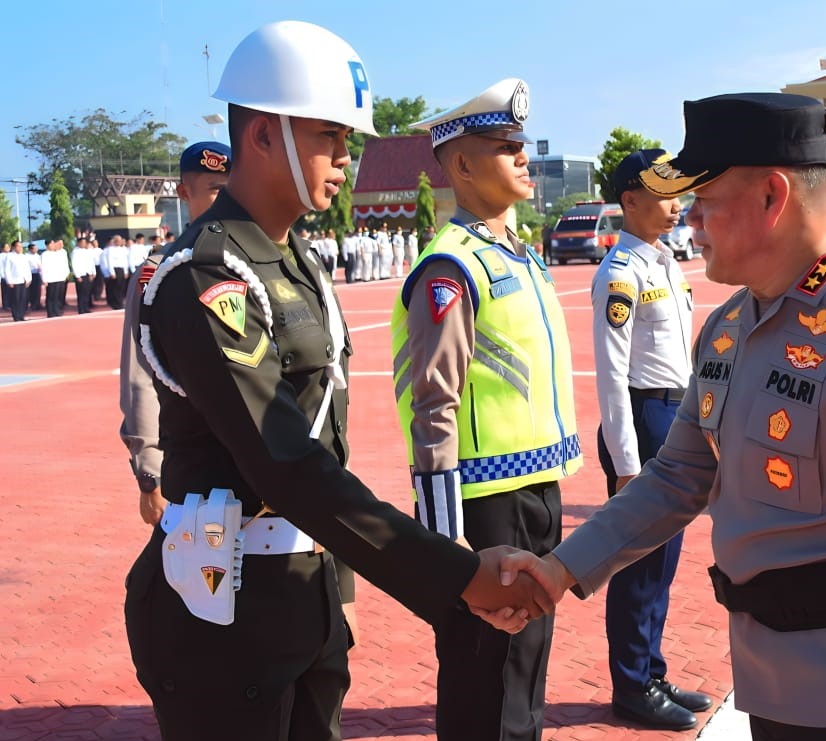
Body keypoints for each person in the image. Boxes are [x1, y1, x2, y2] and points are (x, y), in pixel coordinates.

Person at [502, 93, 826, 741]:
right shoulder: (728, 330)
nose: (691, 220)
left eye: (705, 199)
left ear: (771, 196)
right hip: (767, 689)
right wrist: (561, 567)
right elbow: (676, 477)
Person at [123, 22, 548, 741]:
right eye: (329, 135)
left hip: (305, 601)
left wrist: (339, 593)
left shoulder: (297, 262)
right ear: (263, 135)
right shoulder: (207, 273)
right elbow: (286, 463)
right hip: (221, 613)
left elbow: (328, 443)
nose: (346, 157)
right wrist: (455, 576)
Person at [392, 77, 581, 741]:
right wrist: (447, 545)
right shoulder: (451, 266)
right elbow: (433, 404)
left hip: (536, 492)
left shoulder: (519, 256)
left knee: (522, 675)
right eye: (504, 146)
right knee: (486, 682)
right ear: (463, 166)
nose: (522, 155)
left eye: (520, 143)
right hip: (484, 506)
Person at [590, 148, 710, 730]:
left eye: (678, 193)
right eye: (664, 195)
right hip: (642, 420)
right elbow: (611, 374)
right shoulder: (620, 272)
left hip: (673, 414)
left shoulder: (665, 263)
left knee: (662, 564)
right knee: (639, 565)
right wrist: (625, 462)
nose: (677, 204)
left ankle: (651, 671)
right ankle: (632, 686)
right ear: (630, 201)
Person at [119, 140, 232, 529]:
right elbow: (140, 373)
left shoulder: (262, 262)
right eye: (215, 190)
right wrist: (149, 471)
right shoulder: (158, 273)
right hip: (194, 462)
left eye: (232, 188)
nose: (226, 200)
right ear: (184, 193)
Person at [2, 240, 31, 321]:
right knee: (16, 299)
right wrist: (9, 281)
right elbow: (7, 269)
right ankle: (16, 316)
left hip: (23, 280)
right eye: (18, 246)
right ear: (14, 247)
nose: (20, 248)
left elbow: (27, 268)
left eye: (21, 246)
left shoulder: (23, 256)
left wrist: (29, 279)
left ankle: (21, 315)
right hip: (14, 281)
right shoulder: (10, 256)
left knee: (23, 299)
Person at [40, 239, 70, 317]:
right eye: (51, 244)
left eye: (54, 244)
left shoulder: (60, 253)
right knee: (51, 296)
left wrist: (65, 274)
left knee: (58, 296)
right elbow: (43, 268)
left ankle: (57, 310)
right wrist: (44, 279)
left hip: (60, 278)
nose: (53, 245)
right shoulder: (45, 254)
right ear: (47, 245)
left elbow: (64, 263)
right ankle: (51, 312)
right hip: (50, 279)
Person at [70, 236, 98, 314]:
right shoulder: (75, 252)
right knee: (81, 293)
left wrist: (93, 272)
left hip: (88, 274)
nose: (84, 244)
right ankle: (81, 308)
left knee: (87, 292)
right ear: (78, 243)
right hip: (81, 275)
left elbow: (91, 262)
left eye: (85, 243)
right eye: (82, 242)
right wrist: (77, 276)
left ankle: (86, 307)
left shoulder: (88, 251)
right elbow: (74, 264)